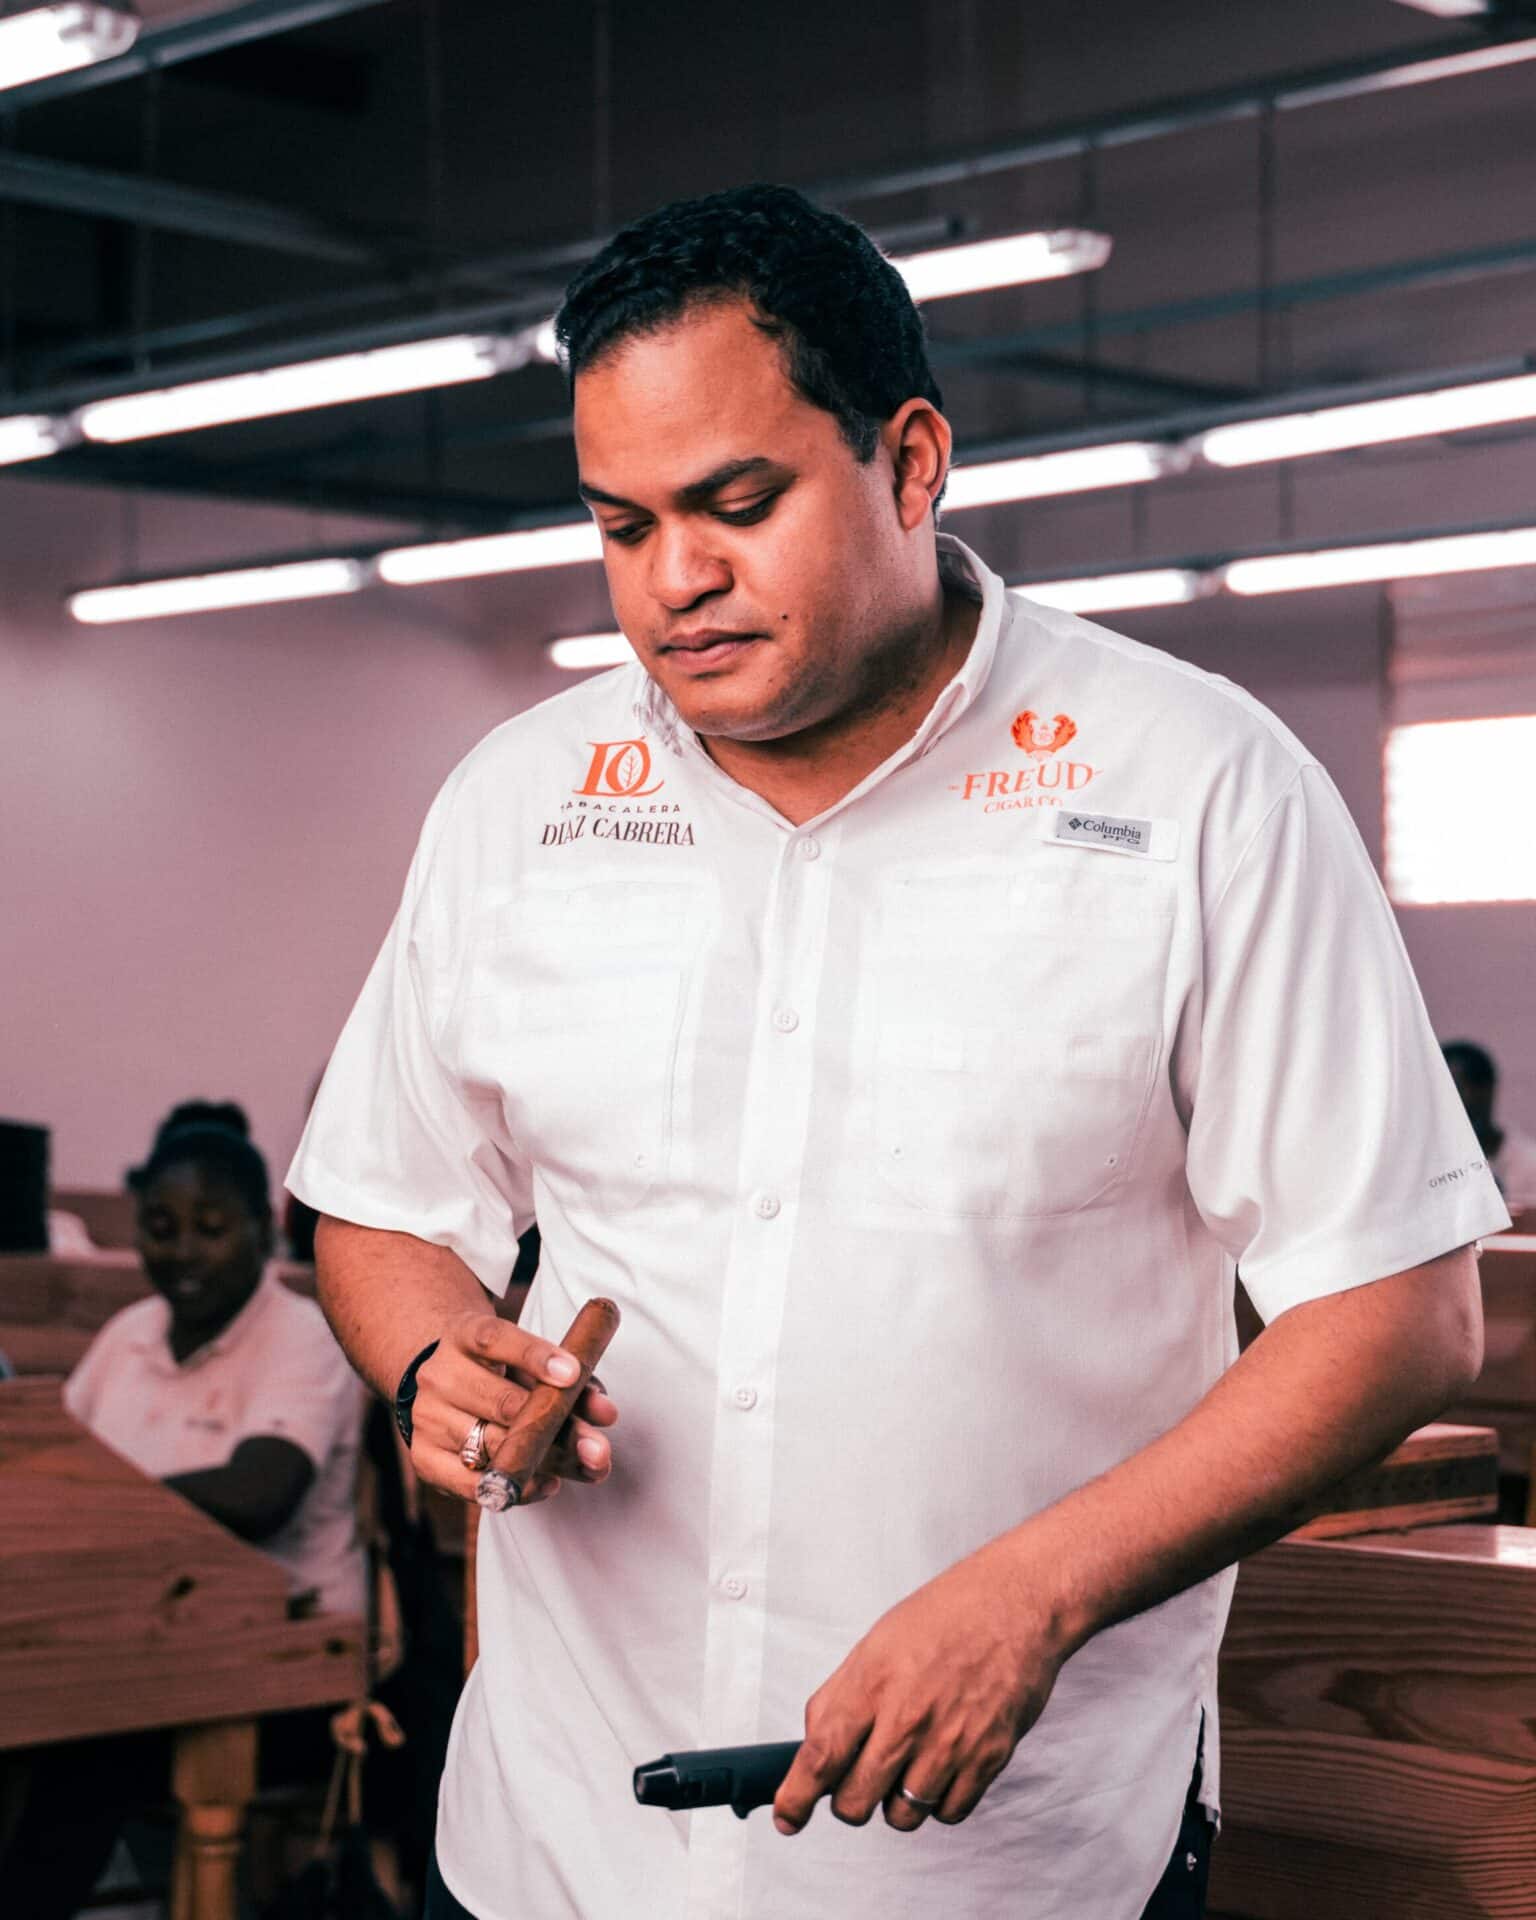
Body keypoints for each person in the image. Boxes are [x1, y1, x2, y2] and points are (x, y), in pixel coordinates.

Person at [287, 184, 1508, 1920]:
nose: (675, 580)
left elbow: (1395, 1310)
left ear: (911, 461)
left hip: (1007, 1862)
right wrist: (434, 1368)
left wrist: (1039, 1591)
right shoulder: (518, 805)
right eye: (620, 525)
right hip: (557, 1845)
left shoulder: (1196, 789)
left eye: (736, 503)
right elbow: (386, 1206)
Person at [6, 1104, 368, 1918]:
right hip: (135, 1640)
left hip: (285, 1661)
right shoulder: (129, 1333)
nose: (182, 1251)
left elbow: (259, 1496)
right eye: (162, 1227)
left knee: (83, 1746)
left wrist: (103, 1512)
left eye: (211, 1226)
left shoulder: (303, 1336)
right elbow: (51, 1472)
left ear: (260, 1229)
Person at [1443, 1040, 1536, 1215]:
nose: (1447, 1101)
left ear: (1486, 1089)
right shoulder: (1421, 1165)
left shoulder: (1530, 1164)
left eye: (1455, 1088)